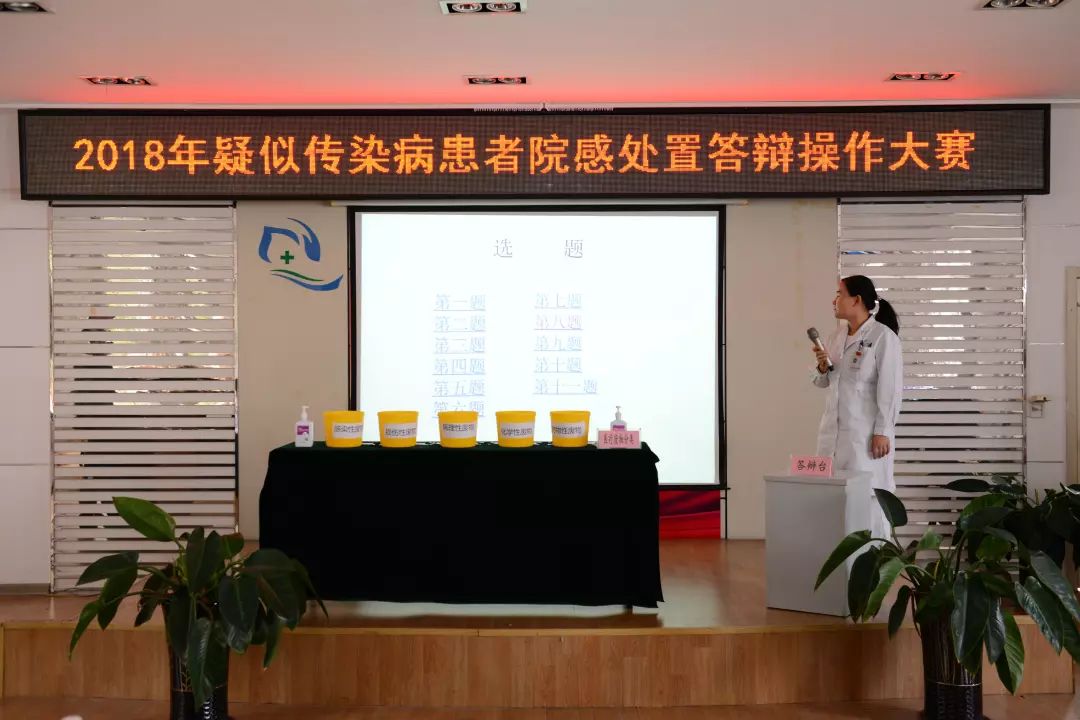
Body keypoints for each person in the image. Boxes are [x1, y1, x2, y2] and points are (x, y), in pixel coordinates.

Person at [811, 275, 903, 539]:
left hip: (865, 438)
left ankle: (877, 556)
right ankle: (841, 560)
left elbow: (891, 388)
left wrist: (882, 431)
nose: (834, 300)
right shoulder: (835, 337)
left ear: (857, 300)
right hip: (832, 436)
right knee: (835, 501)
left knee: (871, 499)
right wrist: (822, 367)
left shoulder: (883, 337)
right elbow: (823, 382)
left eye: (839, 294)